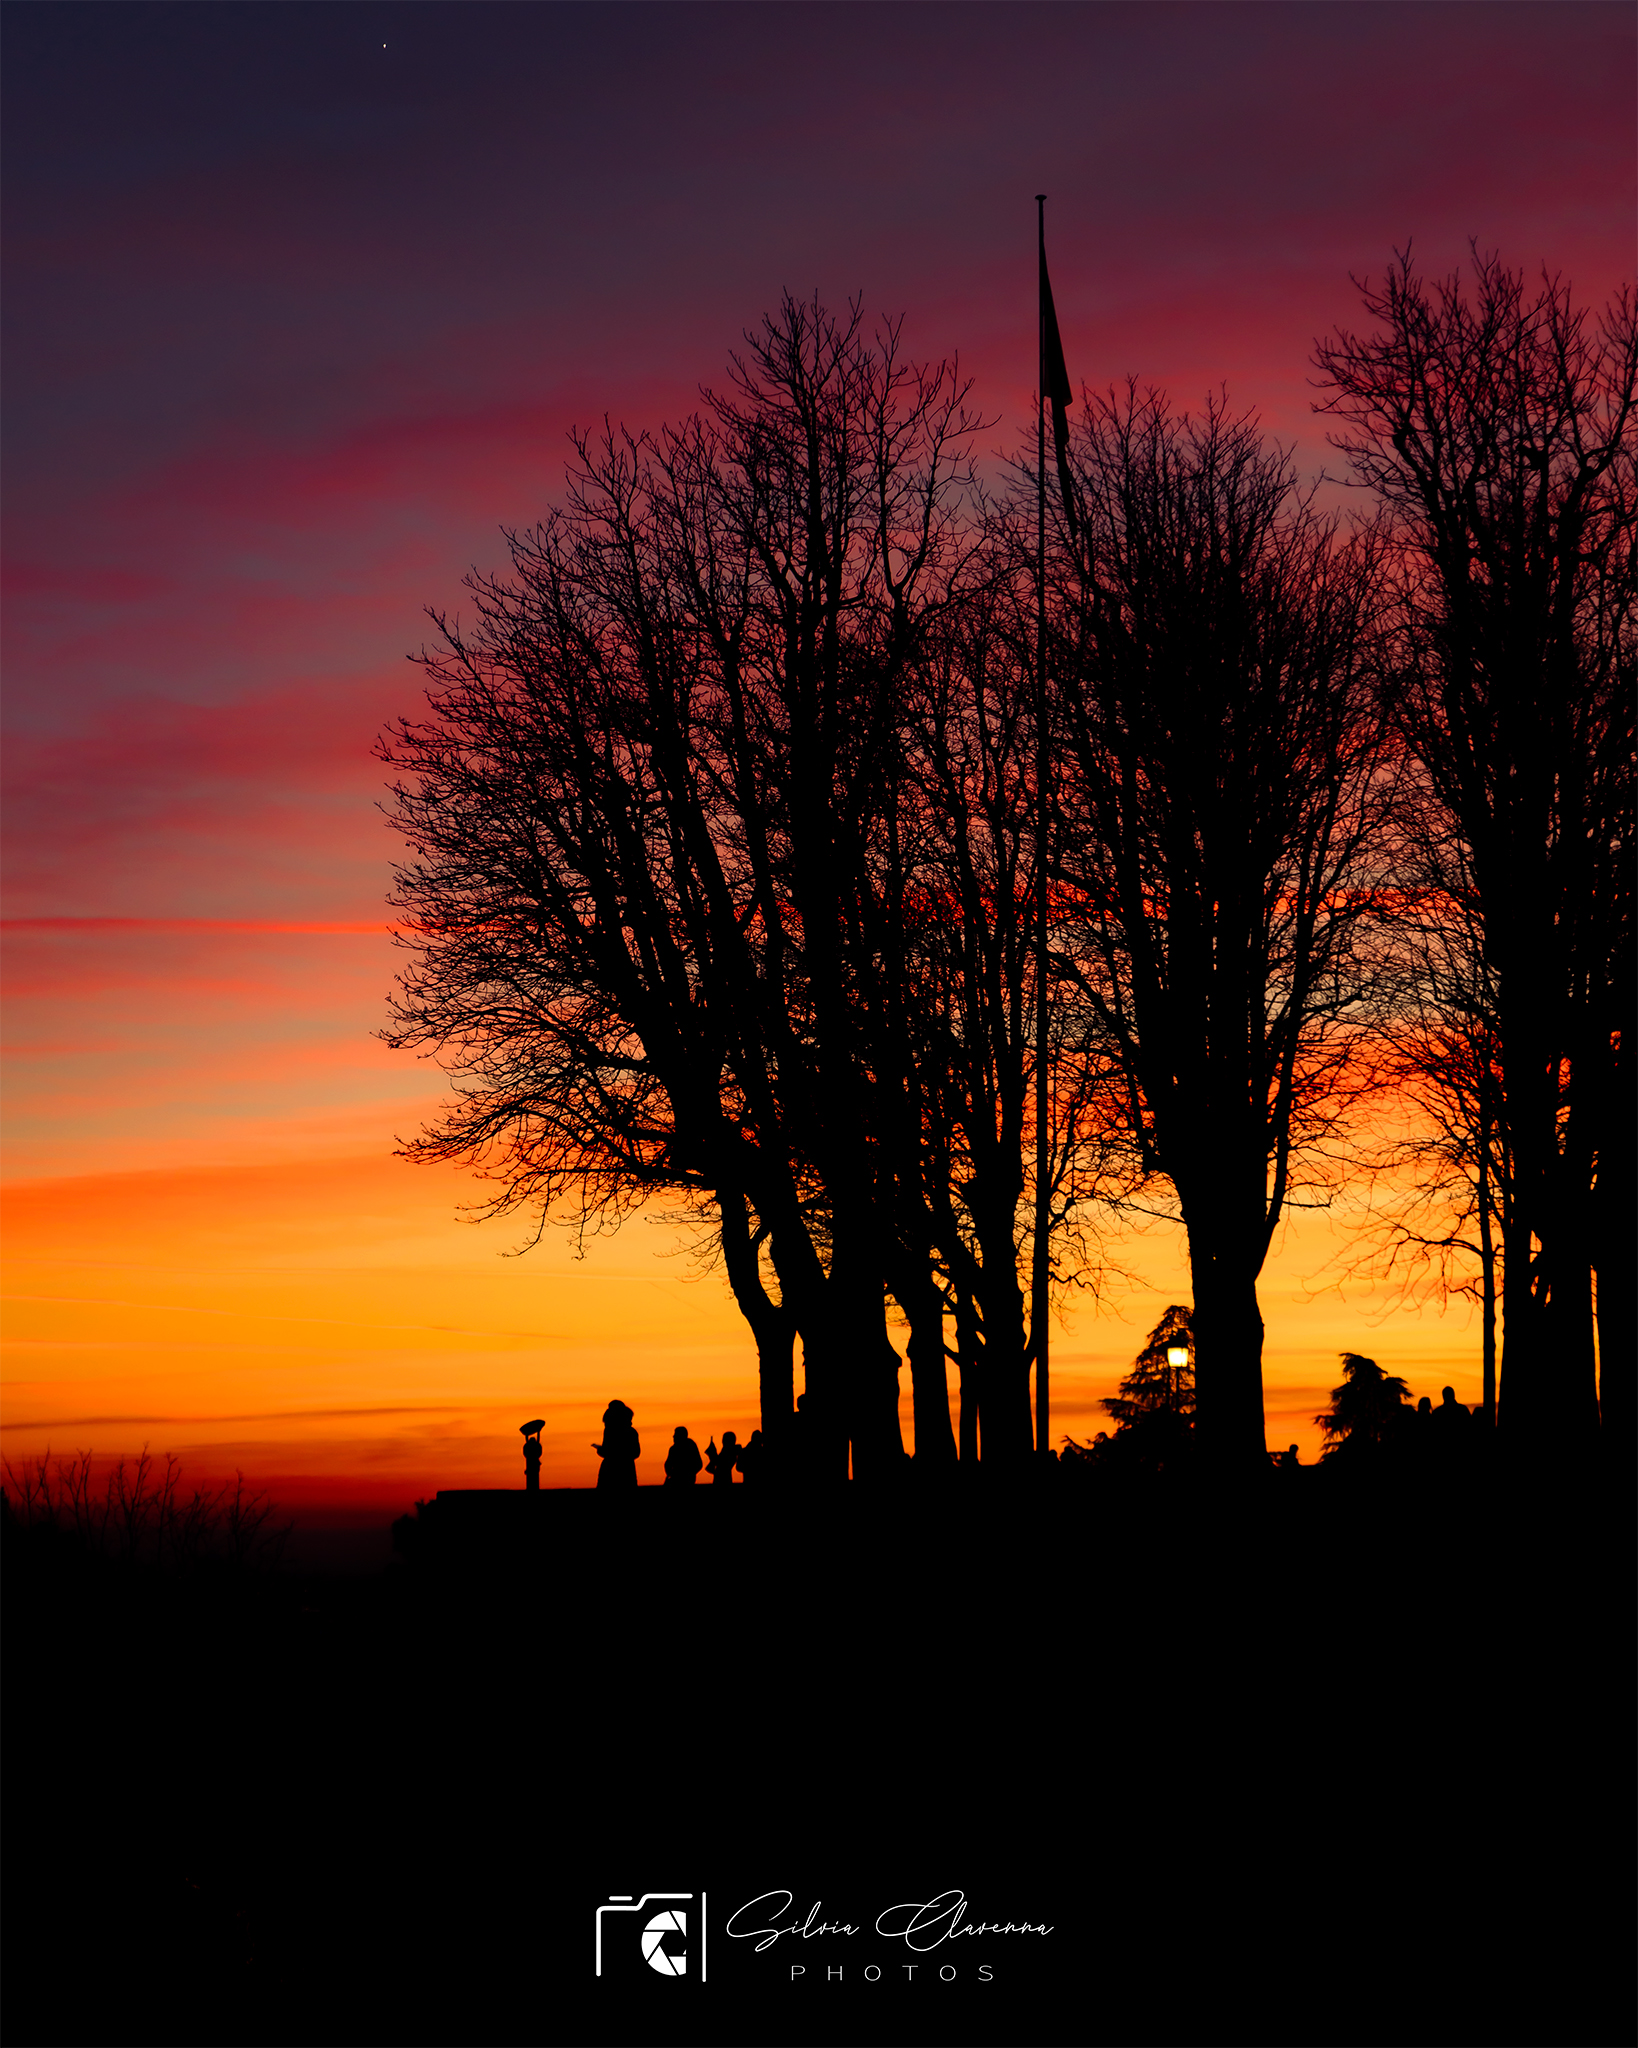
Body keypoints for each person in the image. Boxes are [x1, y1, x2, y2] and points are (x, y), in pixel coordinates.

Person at [593, 1399, 640, 1490]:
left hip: (611, 1470)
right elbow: (636, 1453)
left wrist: (600, 1450)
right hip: (627, 1470)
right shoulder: (632, 1432)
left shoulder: (610, 1431)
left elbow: (607, 1451)